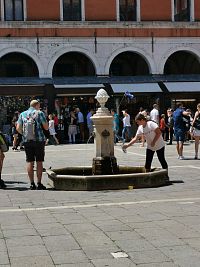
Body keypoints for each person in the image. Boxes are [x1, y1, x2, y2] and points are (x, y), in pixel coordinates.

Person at [16, 100, 48, 190]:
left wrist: (25, 135)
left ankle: (32, 184)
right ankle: (39, 183)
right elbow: (46, 127)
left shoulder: (22, 114)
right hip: (39, 140)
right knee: (39, 162)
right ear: (37, 105)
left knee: (29, 161)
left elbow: (18, 128)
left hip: (27, 141)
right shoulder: (40, 113)